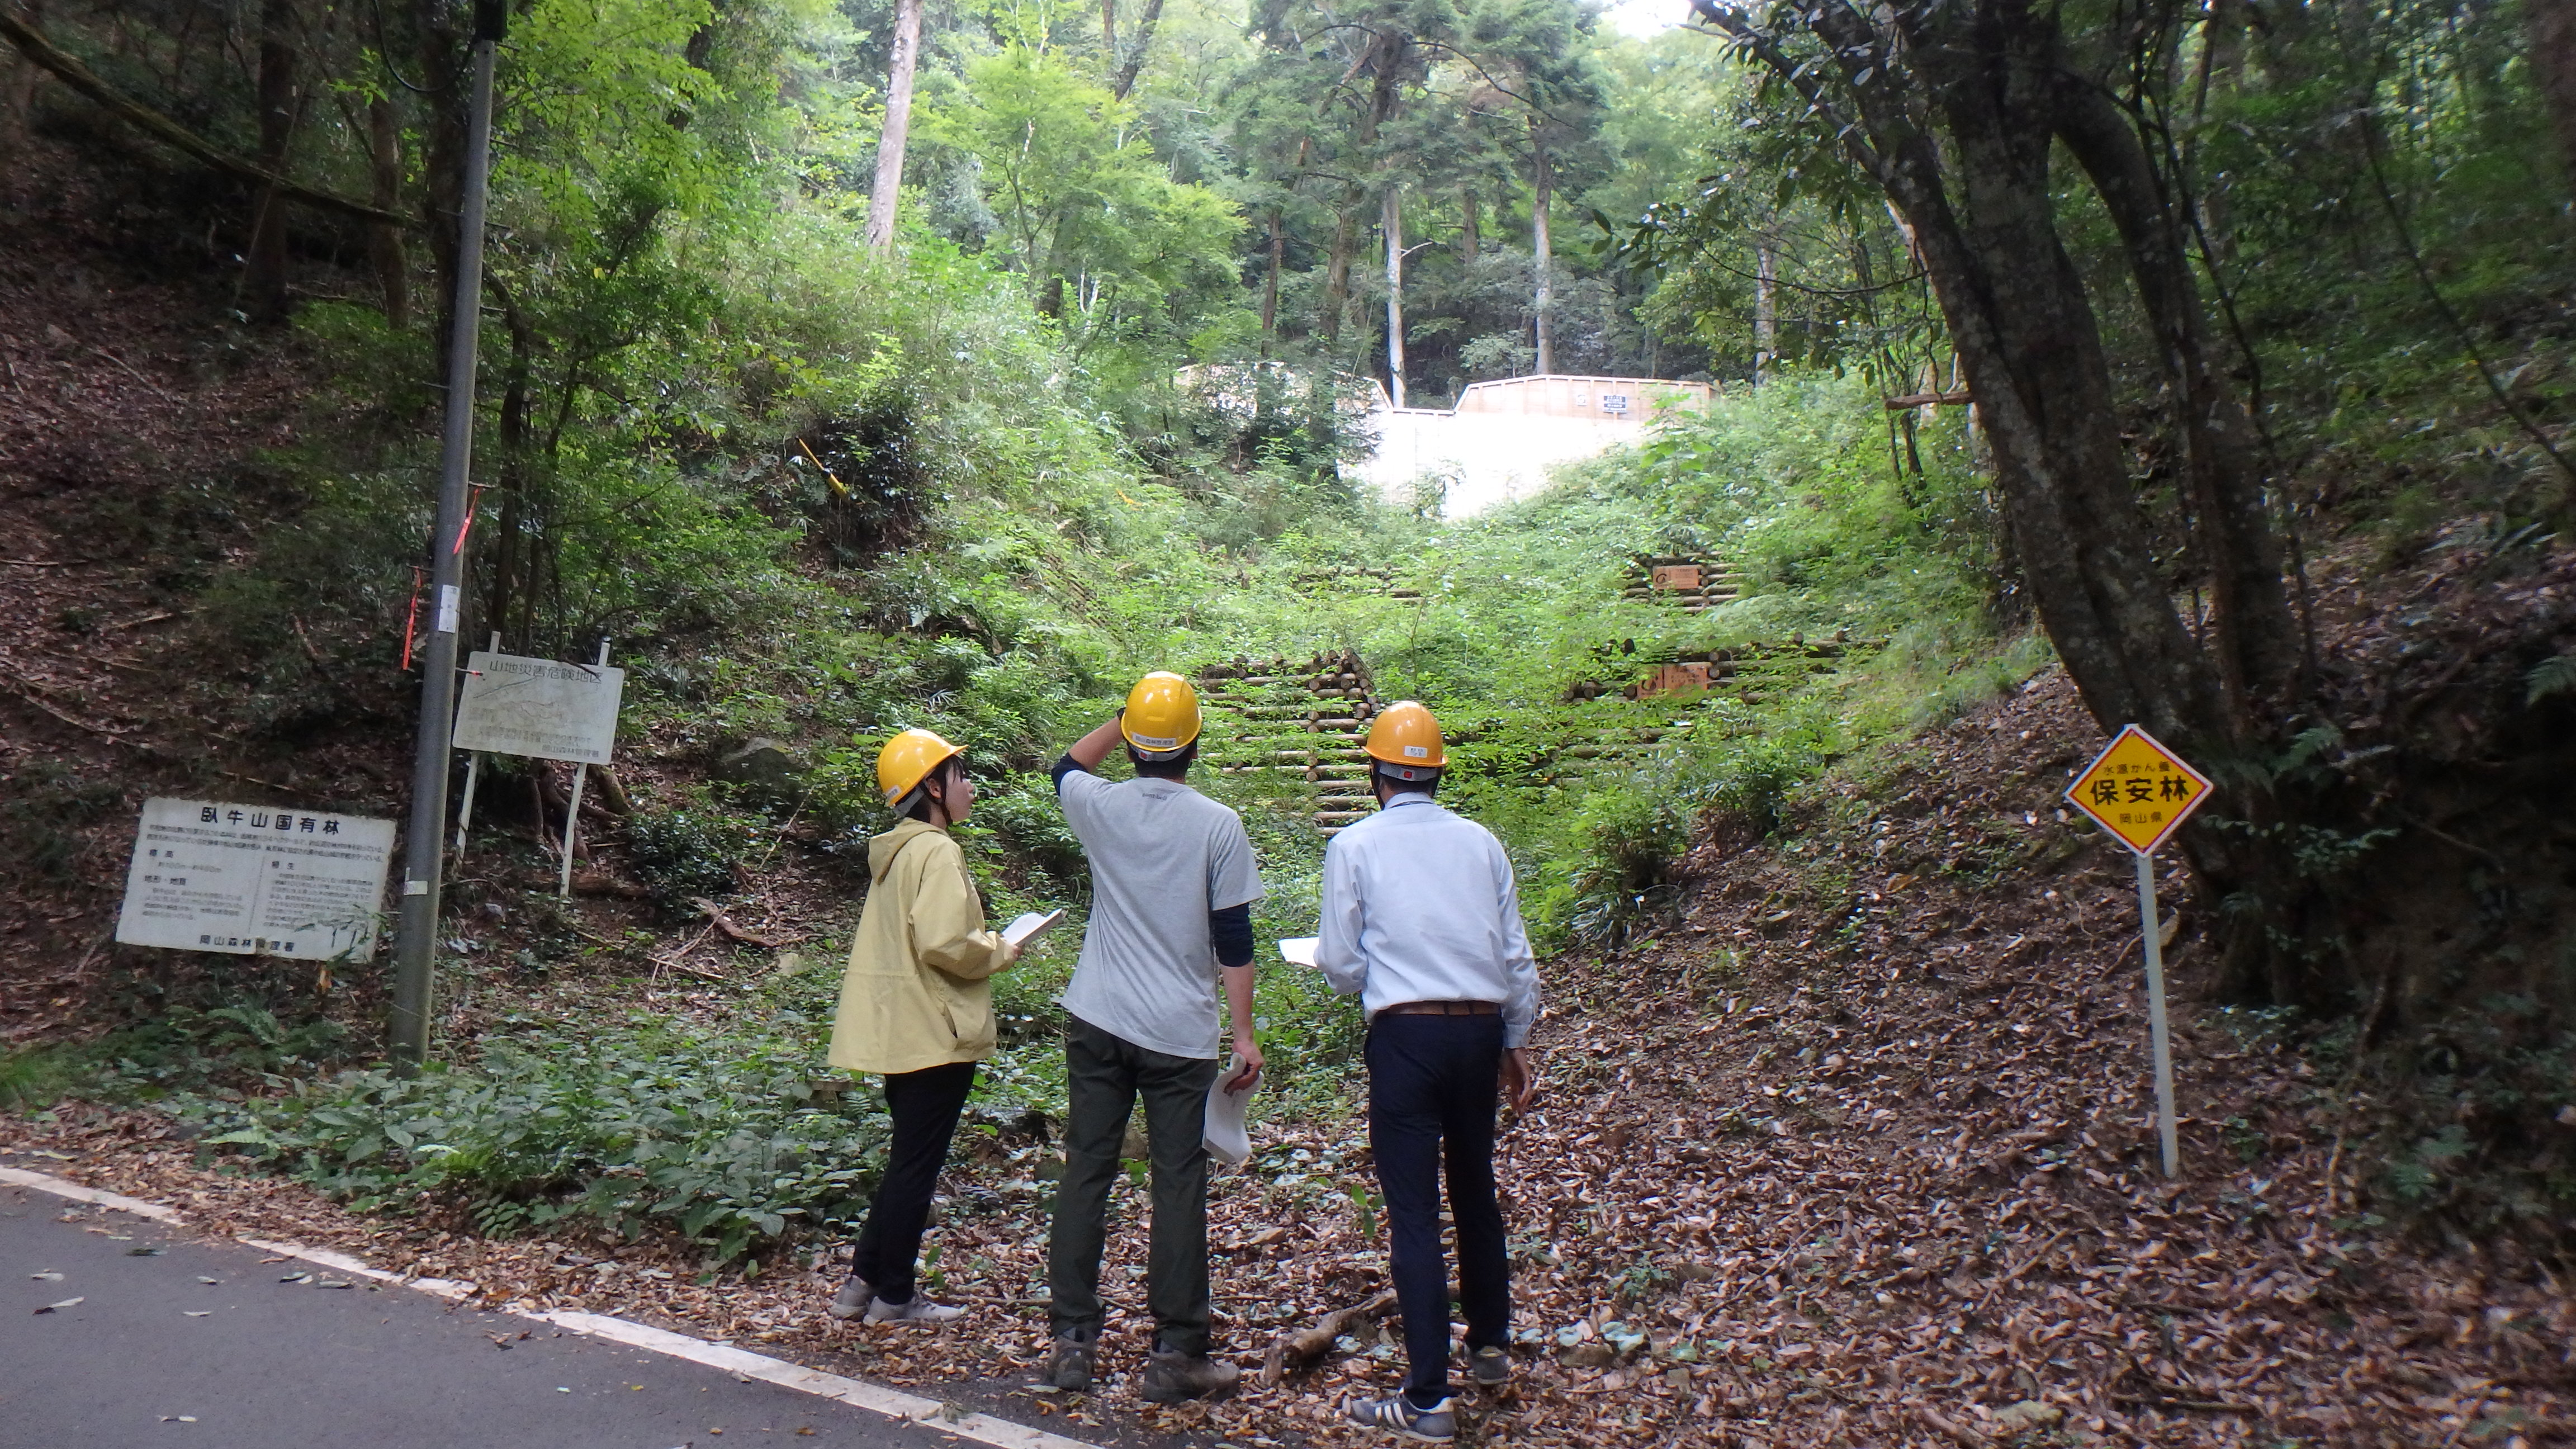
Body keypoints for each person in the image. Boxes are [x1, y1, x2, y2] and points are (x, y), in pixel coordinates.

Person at [1309, 701, 1541, 1444]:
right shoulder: (1481, 844)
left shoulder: (1355, 845)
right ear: (1437, 773)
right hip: (1478, 1032)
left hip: (1405, 1039)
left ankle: (1427, 1399)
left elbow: (1342, 964)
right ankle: (1491, 1349)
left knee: (1413, 1212)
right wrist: (1517, 1041)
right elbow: (1514, 957)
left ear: (1375, 772)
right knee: (1476, 1189)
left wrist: (1371, 974)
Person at [1043, 671, 1265, 1403]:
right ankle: (1175, 1354)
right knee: (1177, 1183)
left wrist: (1122, 718)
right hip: (1178, 1036)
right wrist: (1243, 1033)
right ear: (1195, 743)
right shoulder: (1217, 825)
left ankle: (1073, 1343)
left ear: (1134, 744)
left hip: (1098, 1017)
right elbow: (1233, 940)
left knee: (1088, 1171)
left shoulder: (1101, 806)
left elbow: (1065, 768)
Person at [824, 728, 1019, 1327]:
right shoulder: (937, 851)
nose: (969, 788)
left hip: (900, 1032)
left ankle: (862, 1286)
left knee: (907, 1160)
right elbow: (944, 943)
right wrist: (1002, 949)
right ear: (932, 787)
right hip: (936, 1034)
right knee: (917, 1165)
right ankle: (897, 1297)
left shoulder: (898, 852)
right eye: (960, 776)